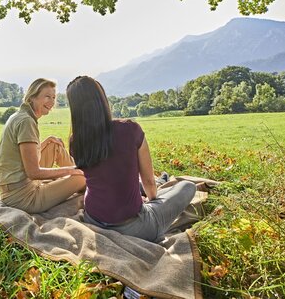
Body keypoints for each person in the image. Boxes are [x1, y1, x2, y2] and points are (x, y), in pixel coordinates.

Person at [66, 76, 196, 243]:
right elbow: (148, 182)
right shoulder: (130, 129)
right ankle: (158, 190)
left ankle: (158, 186)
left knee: (144, 187)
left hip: (93, 219)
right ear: (102, 99)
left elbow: (102, 177)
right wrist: (149, 203)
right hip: (135, 227)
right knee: (187, 187)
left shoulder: (74, 141)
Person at [0, 78, 86, 213]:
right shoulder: (26, 121)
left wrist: (47, 141)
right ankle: (85, 178)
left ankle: (81, 172)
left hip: (14, 187)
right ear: (32, 97)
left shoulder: (21, 115)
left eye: (54, 97)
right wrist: (71, 170)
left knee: (54, 145)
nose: (51, 102)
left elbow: (23, 153)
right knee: (82, 177)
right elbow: (33, 172)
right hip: (22, 197)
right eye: (47, 96)